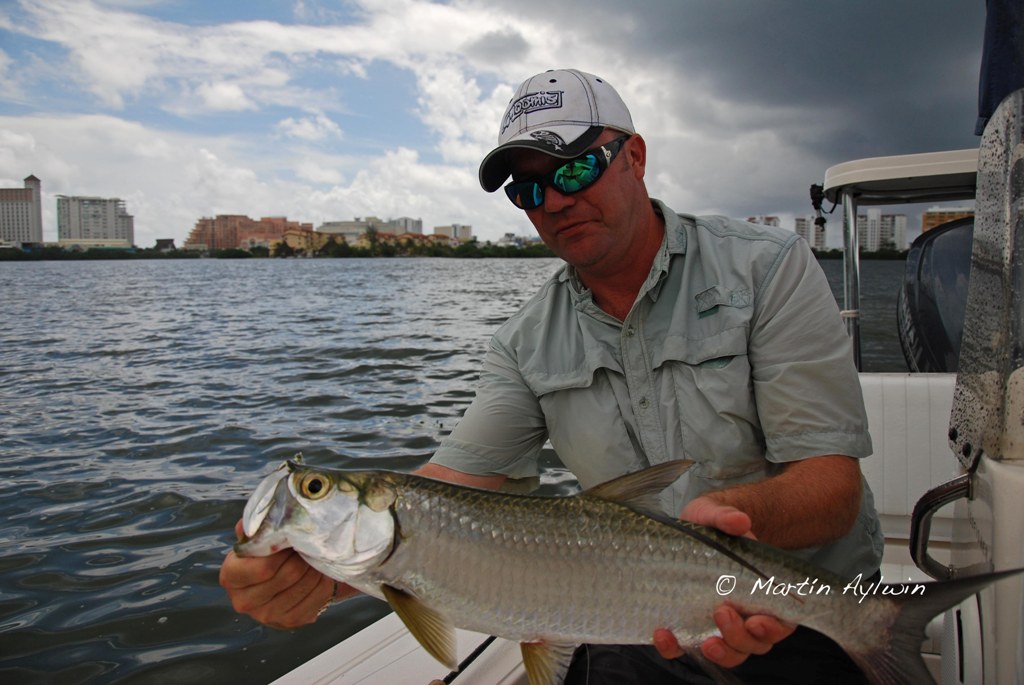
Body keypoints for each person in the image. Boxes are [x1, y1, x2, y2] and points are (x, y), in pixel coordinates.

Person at [221, 68, 882, 684]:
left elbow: (833, 488)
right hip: (631, 624)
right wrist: (306, 571)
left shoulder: (768, 268)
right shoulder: (523, 343)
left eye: (575, 168)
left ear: (635, 157)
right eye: (530, 188)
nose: (555, 200)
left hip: (802, 614)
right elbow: (444, 495)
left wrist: (734, 518)